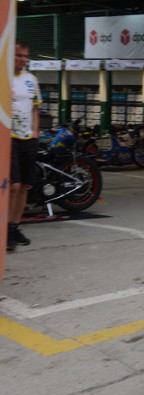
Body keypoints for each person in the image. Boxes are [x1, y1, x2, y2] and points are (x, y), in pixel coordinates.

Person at [7, 41, 42, 251]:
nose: (23, 59)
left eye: (25, 56)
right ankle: (6, 227)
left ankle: (14, 226)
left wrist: (35, 133)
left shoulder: (31, 80)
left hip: (29, 139)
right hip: (9, 138)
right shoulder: (4, 78)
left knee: (25, 187)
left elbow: (35, 109)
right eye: (19, 55)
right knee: (13, 186)